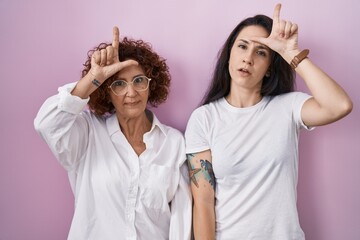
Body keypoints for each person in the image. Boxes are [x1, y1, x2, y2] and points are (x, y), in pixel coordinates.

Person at [185, 4, 352, 240]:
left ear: (269, 69)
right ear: (229, 54)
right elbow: (202, 203)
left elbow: (340, 105)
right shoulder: (204, 118)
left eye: (261, 52)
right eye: (242, 46)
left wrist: (290, 53)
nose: (248, 58)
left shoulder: (289, 107)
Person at [34, 26, 191, 240]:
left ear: (151, 85)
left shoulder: (174, 143)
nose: (131, 92)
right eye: (118, 84)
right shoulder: (87, 132)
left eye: (139, 80)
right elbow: (46, 124)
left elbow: (180, 222)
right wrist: (93, 78)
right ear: (107, 92)